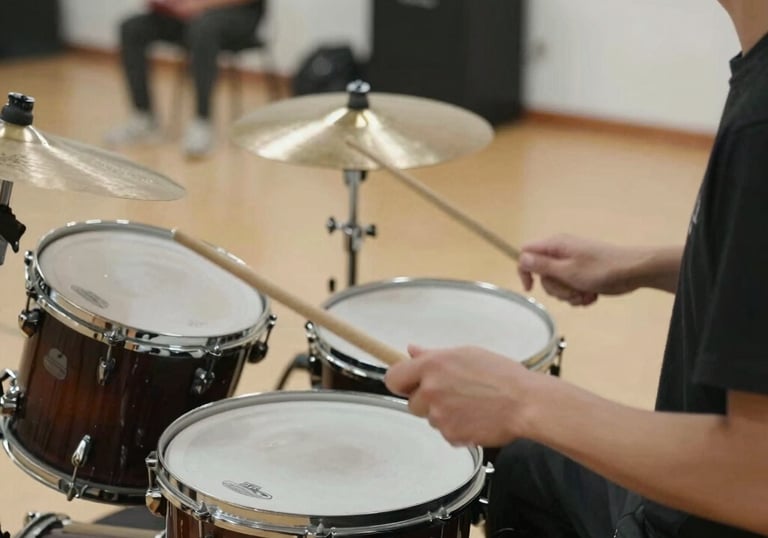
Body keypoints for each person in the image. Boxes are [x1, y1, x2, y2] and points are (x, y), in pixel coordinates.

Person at [385, 2, 768, 537]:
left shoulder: (760, 126)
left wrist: (523, 400)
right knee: (527, 467)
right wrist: (641, 266)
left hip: (703, 515)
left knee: (528, 447)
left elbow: (756, 479)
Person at [104, 0, 266, 157]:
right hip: (189, 15)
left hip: (237, 15)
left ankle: (202, 122)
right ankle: (143, 117)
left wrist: (199, 4)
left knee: (203, 29)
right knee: (132, 28)